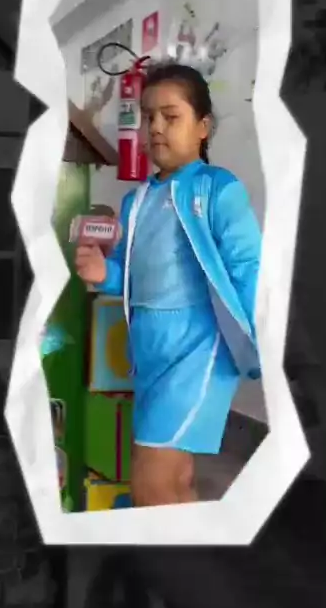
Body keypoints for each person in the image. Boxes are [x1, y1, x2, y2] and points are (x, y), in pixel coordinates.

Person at [76, 62, 261, 508]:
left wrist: (268, 348)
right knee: (175, 478)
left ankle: (161, 553)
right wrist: (103, 274)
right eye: (148, 116)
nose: (156, 127)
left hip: (196, 353)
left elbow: (249, 269)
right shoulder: (135, 200)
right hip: (148, 354)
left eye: (171, 116)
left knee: (150, 482)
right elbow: (128, 275)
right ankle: (187, 548)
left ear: (203, 127)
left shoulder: (218, 189)